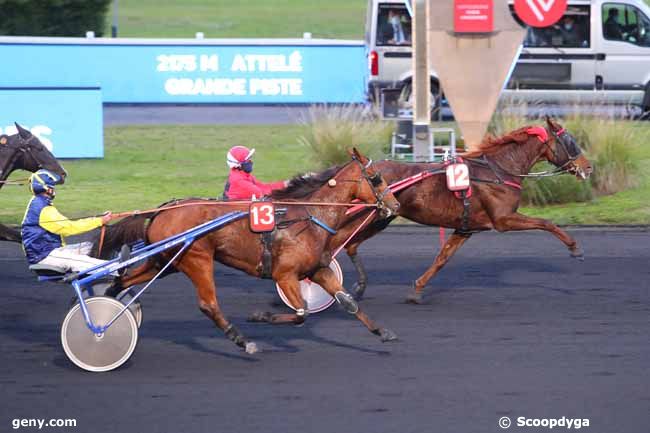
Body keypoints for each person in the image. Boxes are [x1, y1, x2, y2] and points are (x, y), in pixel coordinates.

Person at [21, 169, 114, 274]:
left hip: (49, 251)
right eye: (52, 187)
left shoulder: (39, 203)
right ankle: (118, 270)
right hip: (45, 256)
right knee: (85, 262)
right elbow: (69, 227)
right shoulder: (43, 208)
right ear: (47, 189)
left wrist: (98, 219)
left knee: (91, 246)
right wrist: (99, 221)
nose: (54, 189)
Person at [222, 145, 287, 200]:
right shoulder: (238, 180)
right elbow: (259, 193)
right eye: (247, 160)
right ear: (238, 164)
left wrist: (284, 185)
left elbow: (263, 186)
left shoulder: (244, 175)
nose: (251, 162)